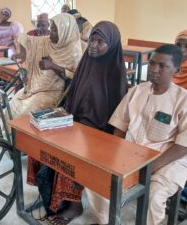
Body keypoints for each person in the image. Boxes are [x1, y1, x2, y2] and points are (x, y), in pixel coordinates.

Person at [86, 45, 187, 225]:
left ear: (177, 70)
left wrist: (153, 166)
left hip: (168, 158)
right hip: (133, 153)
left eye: (162, 66)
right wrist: (113, 156)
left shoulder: (185, 99)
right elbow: (120, 126)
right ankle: (105, 221)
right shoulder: (136, 91)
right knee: (97, 177)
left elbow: (186, 144)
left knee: (154, 196)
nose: (154, 70)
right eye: (152, 63)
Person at [27, 21, 128, 225]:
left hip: (100, 131)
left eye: (101, 42)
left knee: (71, 155)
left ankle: (74, 204)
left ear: (112, 45)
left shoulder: (115, 73)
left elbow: (116, 119)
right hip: (76, 121)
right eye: (92, 39)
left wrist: (83, 128)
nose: (93, 45)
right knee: (38, 143)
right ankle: (53, 197)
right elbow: (74, 96)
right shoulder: (86, 63)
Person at [11, 13, 82, 119]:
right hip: (36, 86)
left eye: (54, 30)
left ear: (64, 33)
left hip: (52, 91)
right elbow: (27, 39)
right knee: (12, 104)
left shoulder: (73, 51)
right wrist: (21, 53)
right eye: (51, 29)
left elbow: (75, 77)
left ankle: (22, 134)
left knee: (24, 112)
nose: (50, 34)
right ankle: (10, 134)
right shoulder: (47, 41)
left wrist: (52, 65)